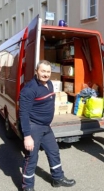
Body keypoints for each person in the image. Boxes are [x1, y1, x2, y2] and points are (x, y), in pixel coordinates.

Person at [19, 60, 76, 191]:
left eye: (48, 71)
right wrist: (27, 136)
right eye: (43, 71)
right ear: (36, 72)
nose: (46, 74)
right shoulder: (29, 89)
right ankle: (27, 187)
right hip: (34, 127)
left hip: (46, 126)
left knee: (54, 152)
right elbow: (24, 114)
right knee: (31, 158)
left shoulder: (49, 84)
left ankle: (58, 179)